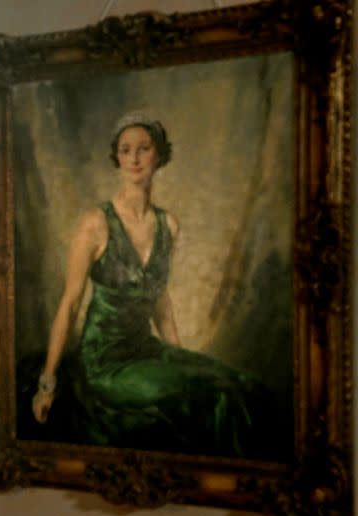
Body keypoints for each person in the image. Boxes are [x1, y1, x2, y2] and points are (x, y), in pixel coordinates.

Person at [30, 111, 269, 458]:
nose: (135, 158)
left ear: (159, 155)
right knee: (207, 393)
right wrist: (47, 383)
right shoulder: (95, 223)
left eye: (144, 148)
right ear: (117, 157)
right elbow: (69, 304)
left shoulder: (168, 225)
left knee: (244, 386)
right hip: (106, 362)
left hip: (147, 350)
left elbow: (160, 301)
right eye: (126, 150)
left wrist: (178, 355)